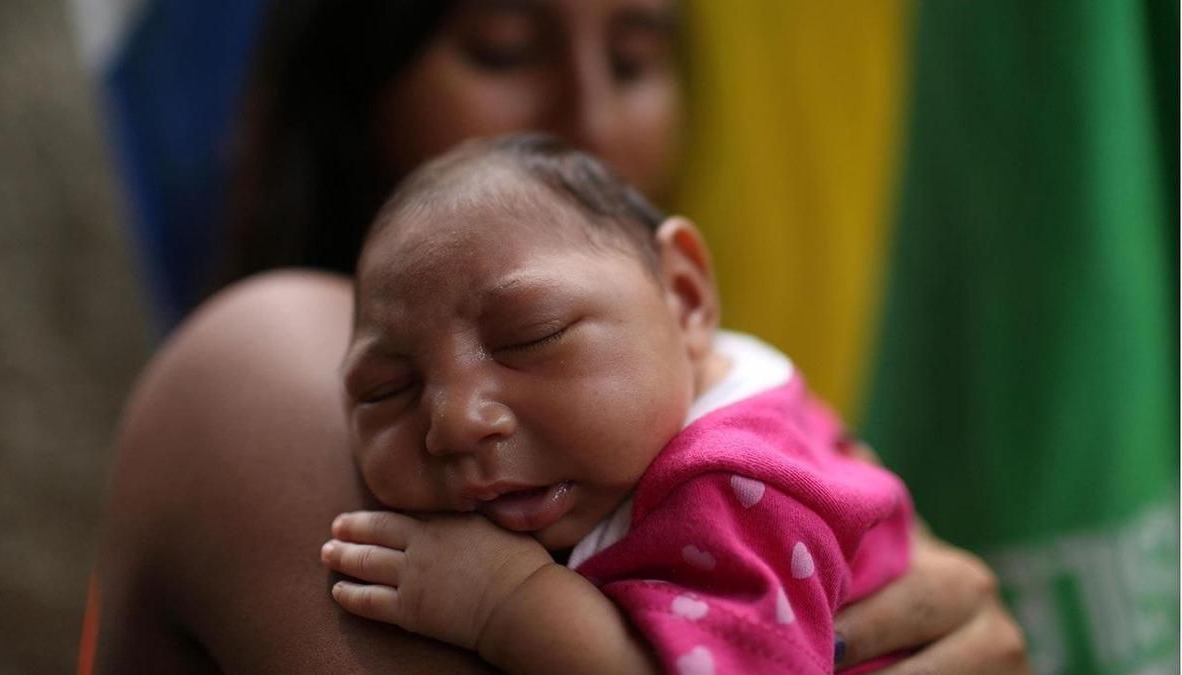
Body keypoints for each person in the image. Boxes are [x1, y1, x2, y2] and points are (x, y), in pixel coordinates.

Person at [89, 1, 1028, 673]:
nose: (590, 119)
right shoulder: (262, 358)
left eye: (632, 58)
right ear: (352, 72)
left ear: (689, 294)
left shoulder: (732, 454)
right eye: (501, 48)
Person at [319, 133, 914, 674]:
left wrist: (504, 600)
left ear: (683, 298)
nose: (453, 423)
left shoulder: (733, 484)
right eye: (387, 390)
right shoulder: (706, 368)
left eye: (531, 336)